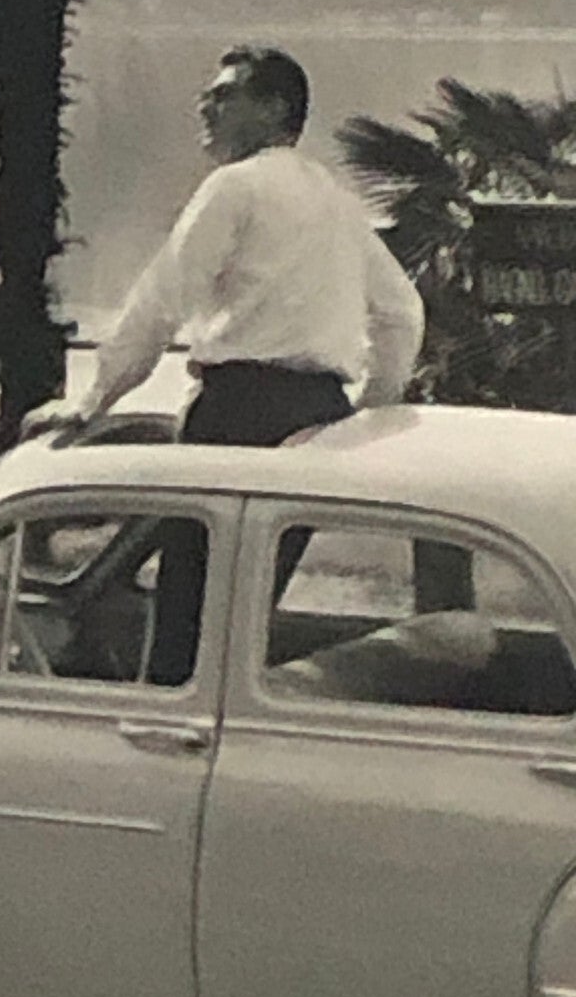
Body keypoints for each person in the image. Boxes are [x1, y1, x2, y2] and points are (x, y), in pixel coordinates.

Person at [27, 44, 426, 683]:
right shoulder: (335, 199)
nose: (205, 106)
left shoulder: (235, 187)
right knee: (244, 618)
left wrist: (91, 402)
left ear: (274, 110)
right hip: (318, 422)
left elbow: (163, 300)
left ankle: (162, 745)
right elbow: (402, 314)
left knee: (189, 612)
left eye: (225, 95)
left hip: (237, 412)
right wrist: (366, 416)